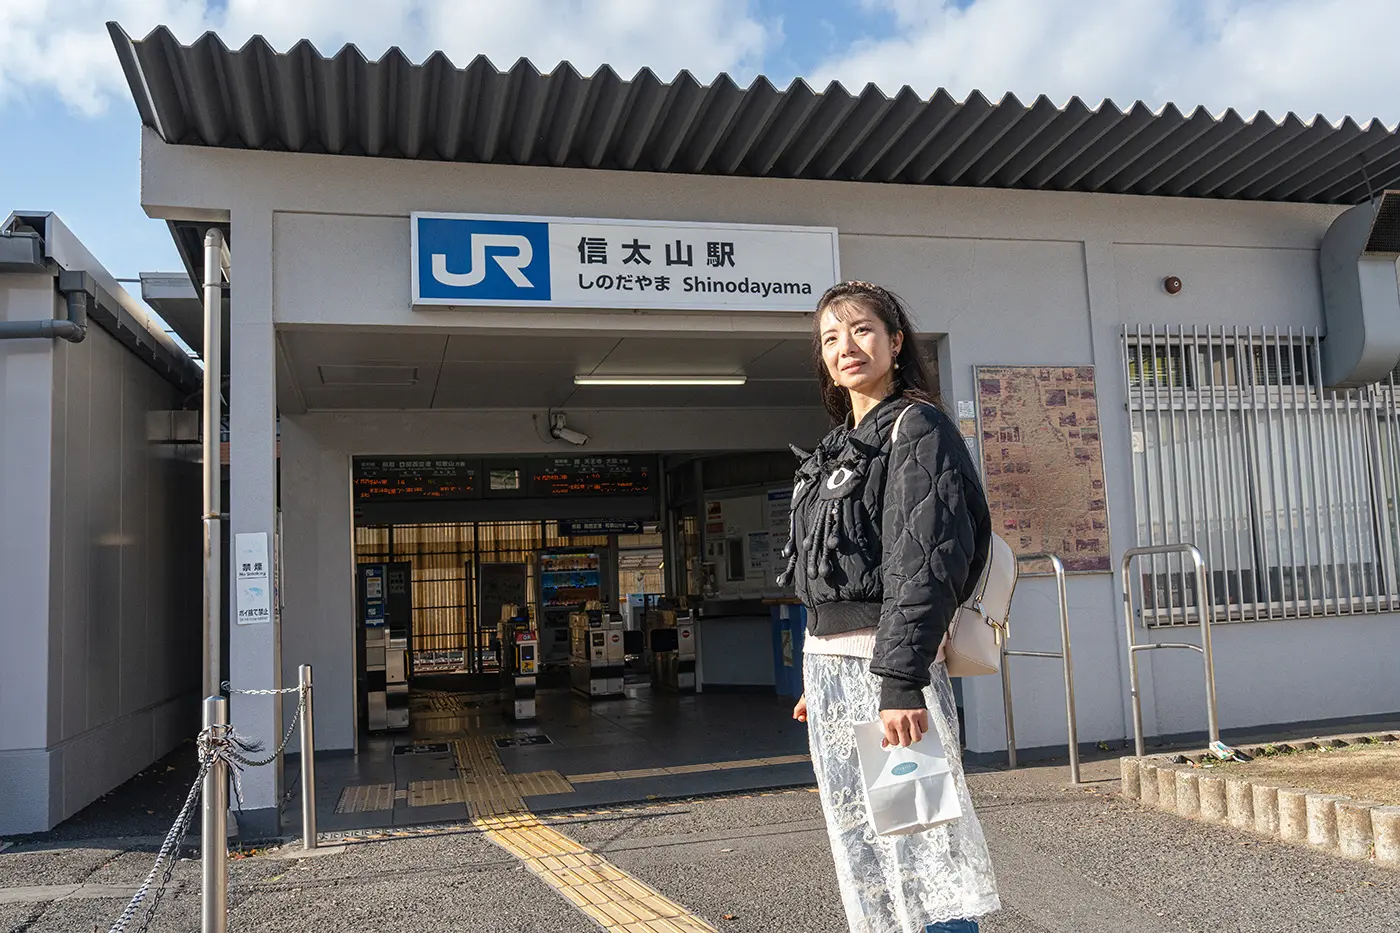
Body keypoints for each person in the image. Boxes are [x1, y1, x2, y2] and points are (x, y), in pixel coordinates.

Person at [780, 281, 999, 933]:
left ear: (895, 341)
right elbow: (829, 572)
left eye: (861, 330)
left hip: (889, 673)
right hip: (837, 671)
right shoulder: (837, 446)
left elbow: (924, 562)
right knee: (868, 849)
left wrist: (900, 683)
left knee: (922, 844)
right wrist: (819, 672)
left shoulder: (916, 427)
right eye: (830, 337)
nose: (845, 346)